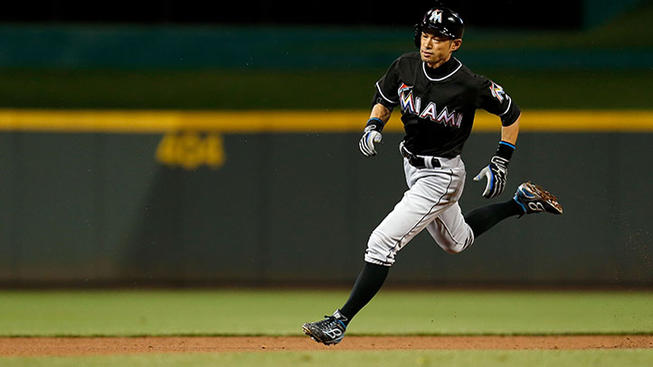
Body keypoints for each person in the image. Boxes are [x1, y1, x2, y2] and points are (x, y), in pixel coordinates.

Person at [302, 6, 563, 345]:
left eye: (438, 38)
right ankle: (521, 202)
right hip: (412, 167)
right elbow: (383, 98)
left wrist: (502, 159)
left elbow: (511, 112)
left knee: (381, 243)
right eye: (425, 35)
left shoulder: (469, 84)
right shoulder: (405, 66)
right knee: (458, 242)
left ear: (455, 44)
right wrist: (373, 124)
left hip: (441, 177)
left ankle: (338, 321)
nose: (429, 43)